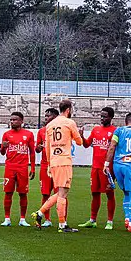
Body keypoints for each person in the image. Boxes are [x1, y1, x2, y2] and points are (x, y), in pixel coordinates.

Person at [31, 99, 83, 233]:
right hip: (64, 161)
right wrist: (79, 136)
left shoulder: (50, 125)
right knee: (63, 193)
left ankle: (39, 213)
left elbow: (47, 147)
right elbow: (79, 142)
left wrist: (49, 164)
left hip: (53, 161)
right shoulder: (69, 122)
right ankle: (62, 225)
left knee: (60, 192)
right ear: (68, 110)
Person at [103, 113, 131, 233]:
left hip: (118, 166)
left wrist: (106, 164)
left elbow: (112, 147)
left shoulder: (118, 131)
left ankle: (127, 218)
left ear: (125, 121)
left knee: (126, 193)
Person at [79, 107, 118, 230]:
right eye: (101, 116)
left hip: (107, 169)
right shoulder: (95, 130)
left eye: (104, 116)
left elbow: (116, 151)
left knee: (109, 194)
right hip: (95, 168)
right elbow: (86, 145)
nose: (102, 118)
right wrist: (82, 137)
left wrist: (114, 171)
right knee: (95, 193)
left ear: (111, 117)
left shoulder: (115, 131)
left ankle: (110, 222)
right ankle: (92, 220)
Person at [0, 112, 35, 227]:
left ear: (21, 121)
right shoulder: (6, 134)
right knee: (8, 193)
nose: (12, 122)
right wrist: (3, 147)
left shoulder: (28, 134)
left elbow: (32, 152)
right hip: (10, 167)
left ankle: (22, 219)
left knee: (23, 194)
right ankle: (7, 219)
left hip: (22, 168)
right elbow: (2, 152)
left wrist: (33, 168)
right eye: (11, 120)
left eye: (15, 120)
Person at [35, 108, 59, 228]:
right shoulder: (41, 131)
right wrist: (38, 147)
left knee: (60, 194)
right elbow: (37, 148)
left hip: (58, 166)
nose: (46, 118)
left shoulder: (61, 130)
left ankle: (62, 220)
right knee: (45, 194)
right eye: (45, 116)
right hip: (45, 166)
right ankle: (47, 219)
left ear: (55, 117)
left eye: (48, 116)